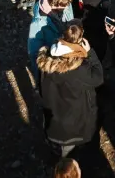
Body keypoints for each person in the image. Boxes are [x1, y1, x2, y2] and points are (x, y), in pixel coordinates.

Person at [37, 22, 104, 159]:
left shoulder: (45, 62)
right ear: (80, 40)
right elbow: (98, 78)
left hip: (54, 125)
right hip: (76, 128)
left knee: (60, 163)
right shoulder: (80, 69)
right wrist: (90, 53)